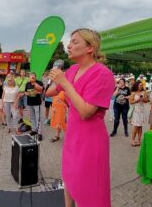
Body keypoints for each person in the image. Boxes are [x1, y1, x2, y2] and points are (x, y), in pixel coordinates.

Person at [45, 28, 116, 207]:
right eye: (70, 42)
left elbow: (86, 111)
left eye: (75, 42)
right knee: (69, 176)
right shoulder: (73, 70)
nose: (69, 45)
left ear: (90, 48)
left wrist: (64, 83)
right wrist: (54, 79)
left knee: (91, 189)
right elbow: (50, 91)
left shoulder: (102, 74)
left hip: (91, 140)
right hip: (73, 136)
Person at [24, 72, 46, 139]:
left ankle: (39, 133)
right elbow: (25, 91)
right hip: (30, 103)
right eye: (31, 77)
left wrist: (37, 92)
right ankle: (34, 130)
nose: (32, 78)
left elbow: (42, 90)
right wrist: (26, 93)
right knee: (32, 117)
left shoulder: (39, 82)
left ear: (35, 77)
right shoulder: (27, 83)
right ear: (29, 77)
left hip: (37, 103)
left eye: (33, 77)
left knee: (38, 118)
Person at [128, 81, 149, 146]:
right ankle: (132, 140)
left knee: (140, 126)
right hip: (136, 111)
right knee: (135, 126)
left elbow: (146, 101)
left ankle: (139, 140)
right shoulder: (133, 93)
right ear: (136, 85)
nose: (141, 86)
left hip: (142, 111)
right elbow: (130, 102)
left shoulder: (144, 92)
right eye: (139, 85)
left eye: (141, 85)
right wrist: (136, 101)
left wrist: (144, 99)